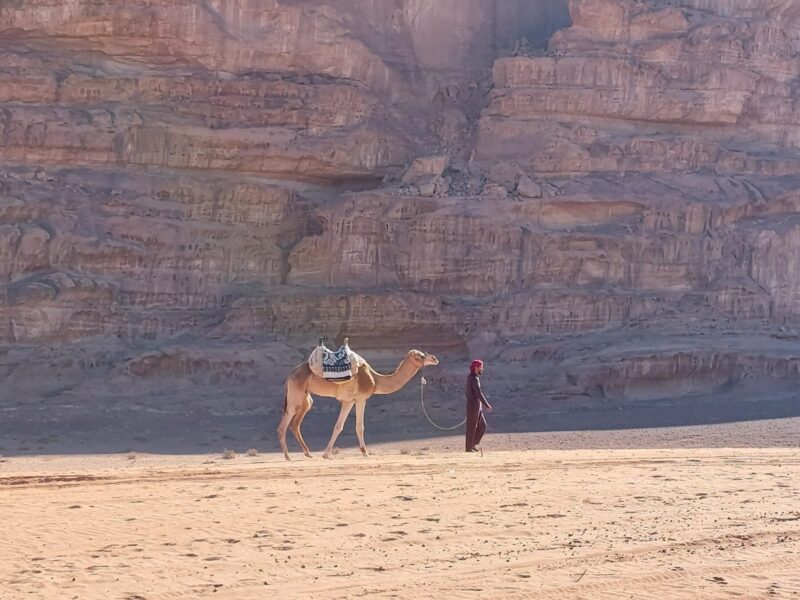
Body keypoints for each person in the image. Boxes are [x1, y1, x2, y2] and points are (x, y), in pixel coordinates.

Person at [465, 359, 492, 452]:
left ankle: (472, 444)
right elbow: (478, 393)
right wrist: (487, 404)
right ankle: (469, 448)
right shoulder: (473, 378)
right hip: (473, 406)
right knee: (472, 427)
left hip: (477, 406)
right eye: (481, 367)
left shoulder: (474, 378)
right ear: (476, 368)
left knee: (483, 426)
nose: (482, 369)